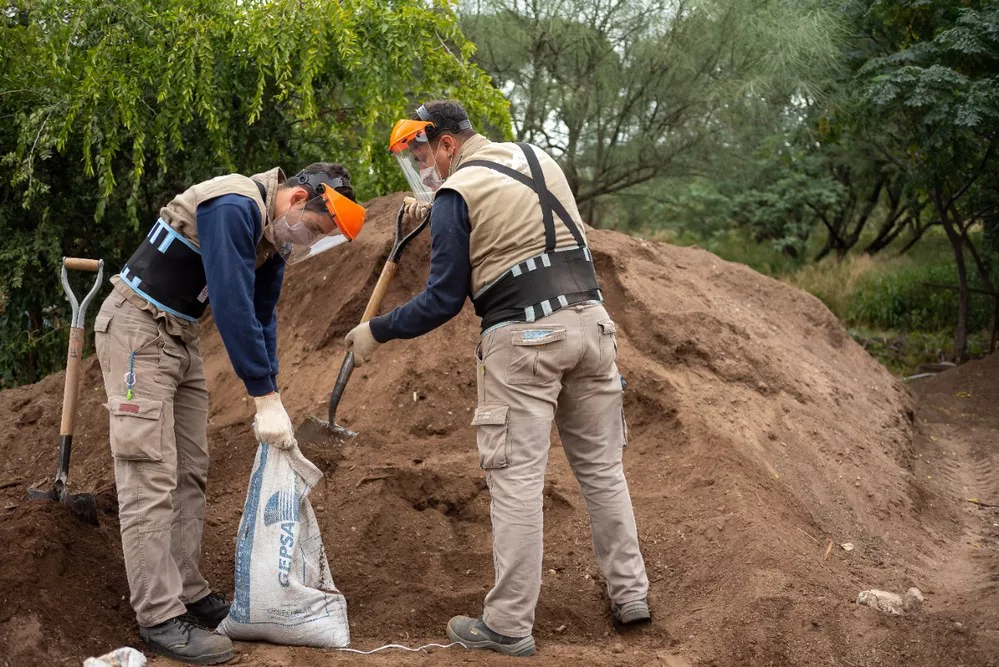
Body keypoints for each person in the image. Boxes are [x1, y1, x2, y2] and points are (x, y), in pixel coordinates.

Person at [345, 101, 649, 657]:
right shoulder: (538, 157)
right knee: (603, 472)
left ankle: (508, 625)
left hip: (525, 339)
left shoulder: (457, 194)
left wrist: (376, 331)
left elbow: (442, 300)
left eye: (423, 158)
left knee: (517, 483)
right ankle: (631, 595)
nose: (425, 172)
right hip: (594, 327)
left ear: (447, 144)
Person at [94, 163, 365, 664]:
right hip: (138, 330)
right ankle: (159, 616)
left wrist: (273, 393)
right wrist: (260, 395)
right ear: (297, 198)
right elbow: (231, 299)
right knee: (150, 475)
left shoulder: (273, 237)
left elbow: (262, 313)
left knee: (190, 470)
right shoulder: (234, 204)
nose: (307, 241)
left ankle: (187, 591)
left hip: (179, 334)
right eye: (313, 228)